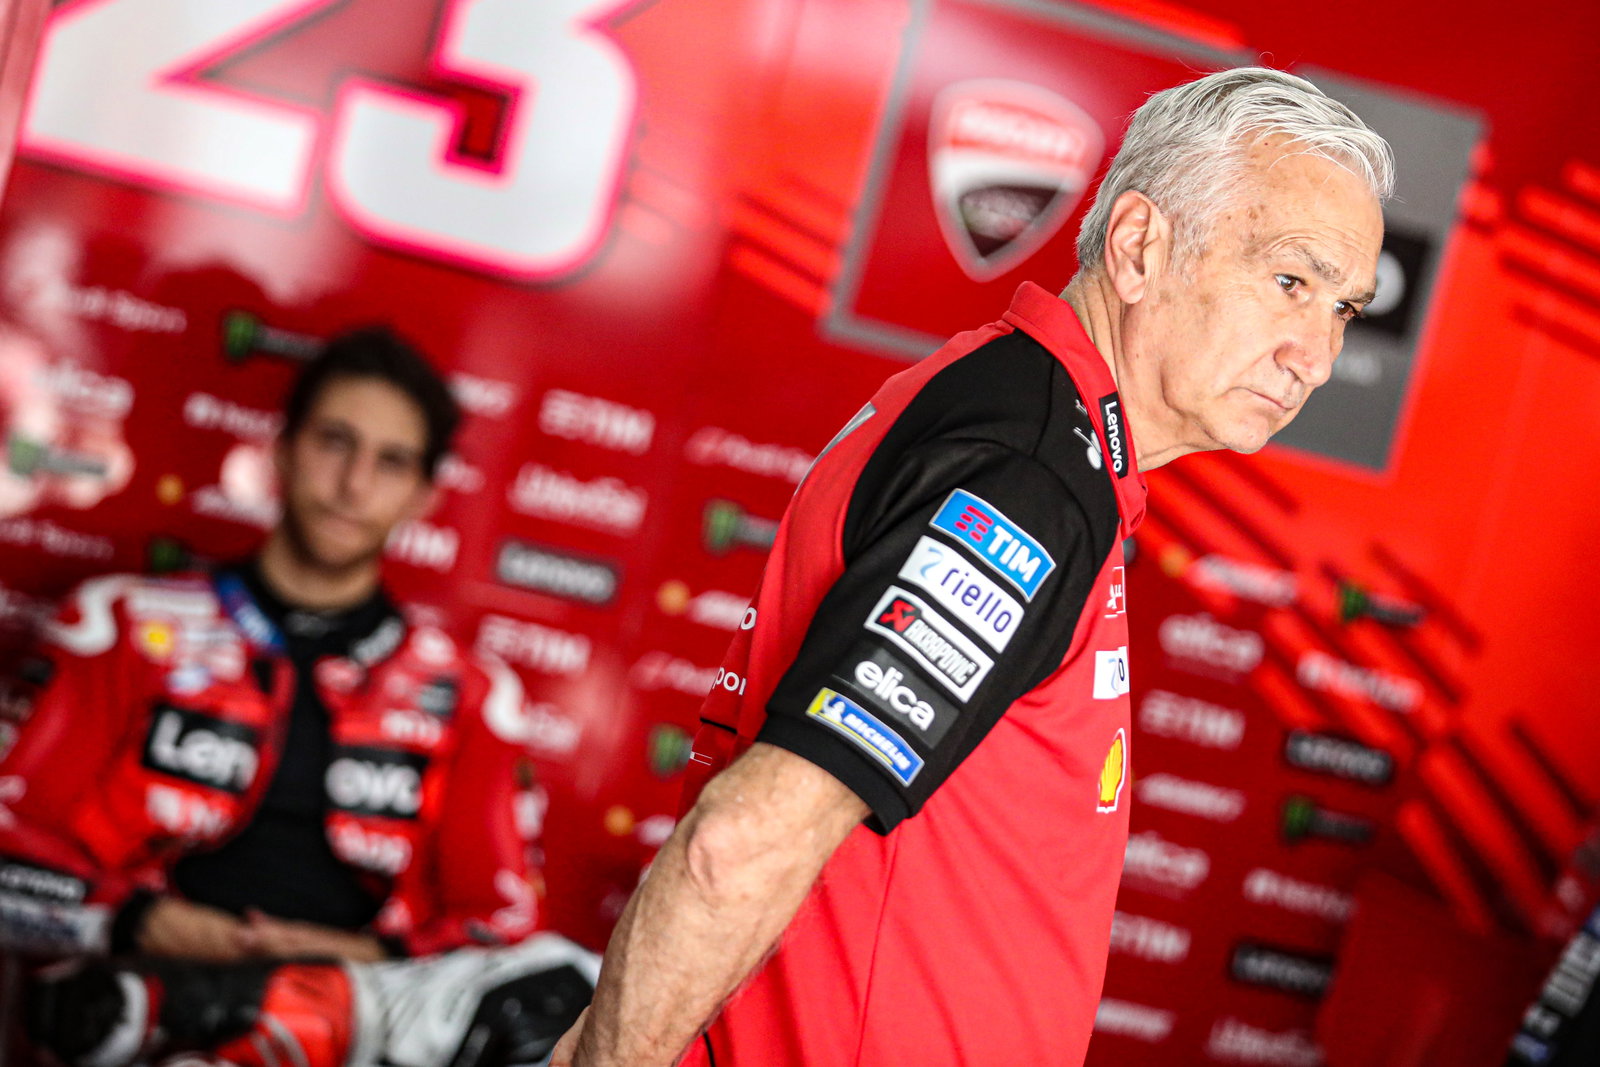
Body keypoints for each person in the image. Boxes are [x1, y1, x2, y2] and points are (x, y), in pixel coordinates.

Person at [551, 66, 1393, 1067]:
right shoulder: (1027, 476)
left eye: (1341, 308)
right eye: (1290, 281)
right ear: (1137, 248)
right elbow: (737, 844)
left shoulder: (1040, 431)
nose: (1315, 354)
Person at [0, 328, 593, 1065]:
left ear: (425, 493)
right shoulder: (120, 623)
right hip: (136, 1004)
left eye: (391, 461)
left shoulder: (468, 692)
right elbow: (9, 850)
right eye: (334, 442)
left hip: (358, 1025)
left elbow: (502, 922)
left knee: (567, 987)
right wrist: (149, 923)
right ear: (280, 450)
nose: (353, 484)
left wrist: (349, 957)